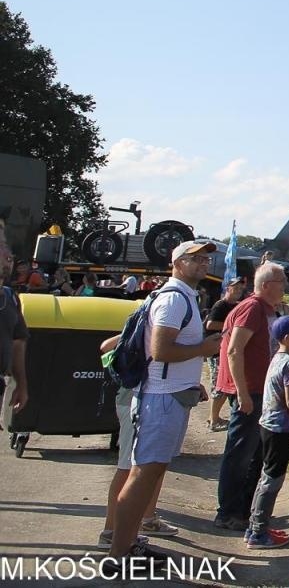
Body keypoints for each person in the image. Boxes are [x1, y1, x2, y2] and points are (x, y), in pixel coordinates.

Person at [107, 240, 223, 561]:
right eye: (195, 258)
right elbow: (161, 351)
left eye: (205, 259)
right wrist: (204, 349)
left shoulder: (183, 296)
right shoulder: (173, 300)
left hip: (168, 395)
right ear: (177, 263)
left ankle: (128, 544)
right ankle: (119, 553)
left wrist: (191, 381)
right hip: (158, 400)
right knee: (143, 473)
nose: (203, 264)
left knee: (151, 472)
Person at [214, 263, 288, 530]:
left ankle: (243, 510)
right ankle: (228, 512)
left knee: (254, 453)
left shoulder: (265, 310)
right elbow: (235, 351)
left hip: (260, 392)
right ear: (267, 285)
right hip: (251, 393)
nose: (285, 285)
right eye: (281, 281)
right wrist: (243, 393)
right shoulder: (252, 308)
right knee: (240, 454)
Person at [97, 331, 178, 547]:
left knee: (153, 466)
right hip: (135, 400)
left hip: (148, 401)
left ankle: (147, 520)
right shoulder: (146, 324)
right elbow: (105, 347)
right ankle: (110, 532)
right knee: (128, 468)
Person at [245, 315, 289, 549]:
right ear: (287, 338)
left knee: (265, 476)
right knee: (273, 479)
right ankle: (259, 534)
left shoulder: (277, 358)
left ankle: (254, 525)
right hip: (280, 428)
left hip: (267, 425)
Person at [207, 278, 249, 431]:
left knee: (226, 386)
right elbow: (210, 324)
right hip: (217, 351)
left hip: (227, 349)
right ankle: (213, 419)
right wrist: (231, 325)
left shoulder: (237, 306)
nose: (238, 290)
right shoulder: (221, 305)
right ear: (227, 289)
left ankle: (214, 417)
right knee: (219, 386)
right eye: (235, 287)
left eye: (240, 288)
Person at [0, 244, 29, 419]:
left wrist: (21, 385)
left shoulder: (11, 297)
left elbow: (18, 342)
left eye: (9, 258)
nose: (7, 259)